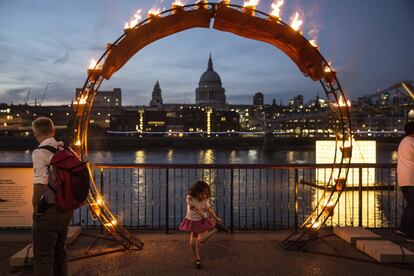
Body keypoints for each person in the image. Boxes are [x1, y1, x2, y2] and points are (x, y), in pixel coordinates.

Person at [31, 117, 73, 276]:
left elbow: (41, 182)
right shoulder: (64, 148)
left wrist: (35, 204)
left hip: (50, 210)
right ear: (53, 131)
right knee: (60, 252)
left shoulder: (40, 152)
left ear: (35, 132)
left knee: (43, 256)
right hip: (66, 208)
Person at [179, 181, 228, 269]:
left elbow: (209, 209)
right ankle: (196, 258)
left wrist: (216, 218)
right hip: (193, 220)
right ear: (198, 192)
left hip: (201, 220)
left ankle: (216, 228)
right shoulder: (190, 198)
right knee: (194, 238)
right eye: (203, 194)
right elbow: (194, 209)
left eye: (206, 194)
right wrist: (206, 216)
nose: (205, 196)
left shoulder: (204, 199)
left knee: (201, 240)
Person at [397, 121, 414, 242]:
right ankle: (411, 234)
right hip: (412, 178)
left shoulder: (403, 141)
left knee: (411, 205)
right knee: (413, 207)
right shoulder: (412, 142)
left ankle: (402, 228)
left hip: (403, 178)